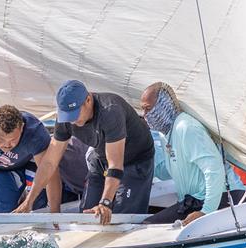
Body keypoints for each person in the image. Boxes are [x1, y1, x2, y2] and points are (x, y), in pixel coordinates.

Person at [17, 80, 155, 224]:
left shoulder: (110, 111)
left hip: (134, 160)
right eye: (68, 116)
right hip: (100, 158)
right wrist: (29, 201)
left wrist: (105, 202)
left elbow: (115, 165)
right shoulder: (66, 119)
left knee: (121, 220)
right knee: (86, 217)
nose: (72, 121)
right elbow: (49, 162)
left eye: (75, 114)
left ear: (88, 100)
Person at [140, 82, 245, 225]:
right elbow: (168, 171)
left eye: (148, 109)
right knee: (148, 226)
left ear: (162, 106)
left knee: (149, 227)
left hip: (225, 197)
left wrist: (206, 212)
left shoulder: (186, 127)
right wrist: (141, 156)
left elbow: (214, 170)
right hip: (195, 200)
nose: (145, 115)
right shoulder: (165, 134)